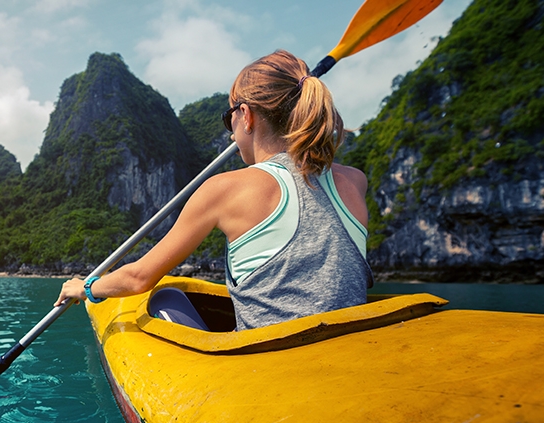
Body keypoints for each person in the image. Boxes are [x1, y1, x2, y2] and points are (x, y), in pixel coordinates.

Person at [54, 49, 373, 331]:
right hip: (346, 352)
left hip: (270, 366)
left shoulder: (223, 189)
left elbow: (138, 278)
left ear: (246, 116)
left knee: (165, 297)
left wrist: (85, 287)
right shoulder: (355, 182)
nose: (232, 135)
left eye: (229, 118)